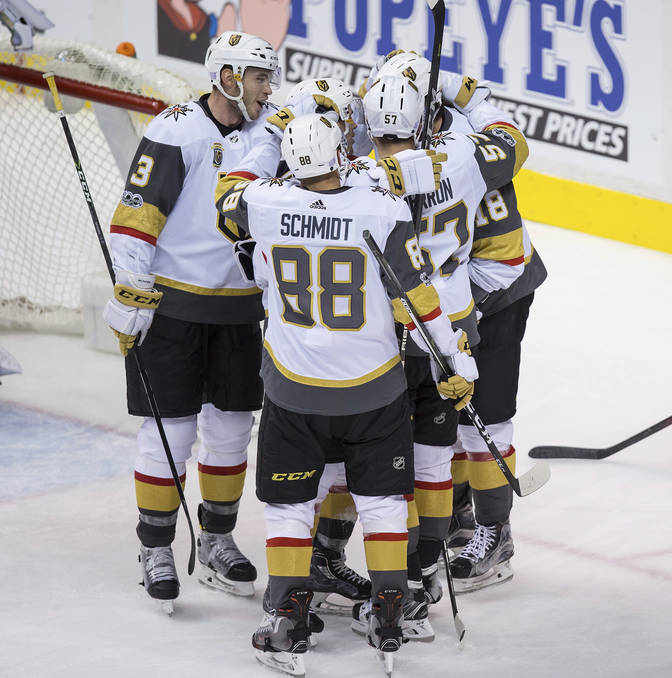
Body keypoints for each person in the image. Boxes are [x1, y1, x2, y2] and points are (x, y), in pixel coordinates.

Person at [216, 113, 474, 674]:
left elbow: (228, 195)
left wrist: (267, 141)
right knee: (382, 502)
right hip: (372, 390)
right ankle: (389, 610)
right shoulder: (381, 209)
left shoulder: (265, 204)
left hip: (294, 390)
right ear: (340, 154)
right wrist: (454, 362)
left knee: (290, 506)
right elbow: (418, 298)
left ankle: (287, 617)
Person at [337, 69, 529, 639]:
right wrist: (470, 95)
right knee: (433, 462)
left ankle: (400, 585)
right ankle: (425, 579)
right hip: (454, 328)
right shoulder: (464, 157)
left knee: (389, 466)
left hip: (391, 333)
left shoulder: (360, 179)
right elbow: (512, 142)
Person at [104, 31, 280, 609]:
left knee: (231, 432)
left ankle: (216, 540)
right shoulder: (176, 129)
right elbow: (135, 218)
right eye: (259, 76)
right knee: (170, 433)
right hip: (173, 309)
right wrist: (132, 294)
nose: (268, 87)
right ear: (228, 77)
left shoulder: (274, 131)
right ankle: (155, 546)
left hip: (240, 311)